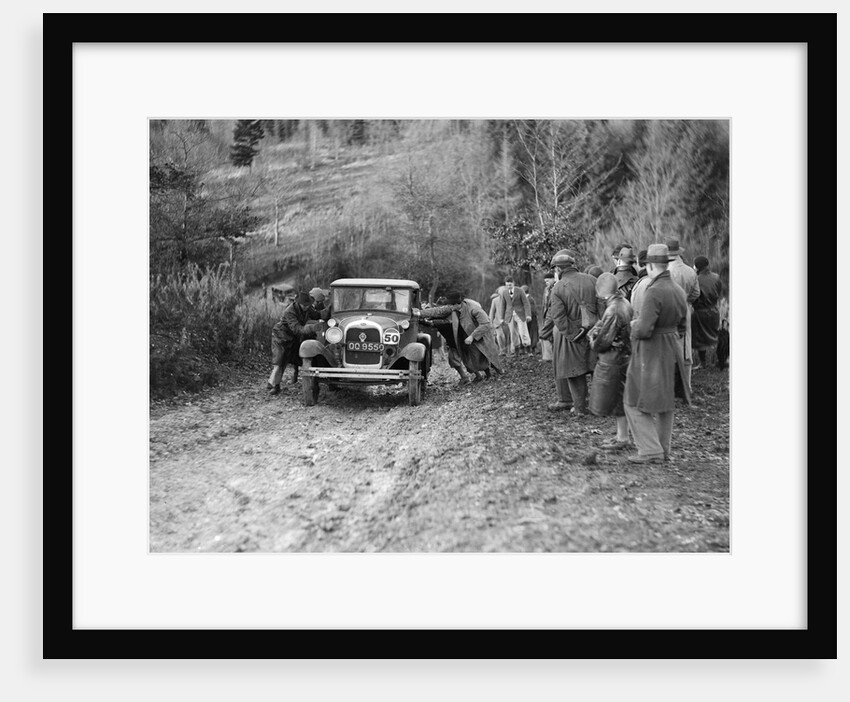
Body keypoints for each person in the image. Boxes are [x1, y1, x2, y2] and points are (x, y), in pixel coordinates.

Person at [623, 244, 691, 463]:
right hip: (673, 348)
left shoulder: (653, 291)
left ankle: (651, 450)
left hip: (651, 351)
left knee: (632, 399)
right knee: (665, 402)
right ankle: (663, 449)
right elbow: (683, 326)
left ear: (650, 265)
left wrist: (633, 325)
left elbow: (644, 329)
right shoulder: (678, 290)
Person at [545, 249, 604, 414]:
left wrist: (574, 336)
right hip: (595, 333)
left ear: (558, 269)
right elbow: (602, 307)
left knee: (575, 373)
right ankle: (599, 407)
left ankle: (580, 409)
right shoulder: (593, 280)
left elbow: (558, 318)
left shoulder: (557, 289)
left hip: (572, 337)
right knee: (596, 370)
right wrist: (598, 329)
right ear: (573, 265)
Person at [588, 272, 634, 450]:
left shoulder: (612, 309)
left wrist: (592, 338)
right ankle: (621, 435)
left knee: (617, 399)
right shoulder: (624, 302)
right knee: (619, 398)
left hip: (614, 359)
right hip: (624, 357)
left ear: (602, 293)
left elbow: (602, 342)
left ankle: (623, 438)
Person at [420, 291, 504, 382]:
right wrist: (420, 313)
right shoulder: (454, 308)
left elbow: (486, 324)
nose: (450, 307)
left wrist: (472, 336)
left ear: (456, 304)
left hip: (483, 333)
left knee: (488, 353)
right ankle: (488, 375)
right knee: (475, 356)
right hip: (468, 334)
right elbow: (437, 311)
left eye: (451, 305)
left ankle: (498, 372)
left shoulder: (474, 308)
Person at [267, 290, 323, 395]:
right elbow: (297, 329)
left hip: (293, 338)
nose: (306, 307)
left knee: (298, 359)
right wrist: (312, 328)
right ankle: (275, 386)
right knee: (280, 360)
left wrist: (329, 311)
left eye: (308, 305)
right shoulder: (289, 311)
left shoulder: (308, 308)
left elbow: (317, 315)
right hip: (280, 336)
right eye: (304, 305)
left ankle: (272, 382)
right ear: (298, 303)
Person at [665, 237, 700, 392]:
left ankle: (669, 388)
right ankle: (687, 387)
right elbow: (696, 293)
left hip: (667, 311)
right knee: (686, 350)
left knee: (666, 348)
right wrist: (686, 301)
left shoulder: (664, 271)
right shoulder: (690, 271)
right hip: (685, 310)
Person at [690, 255, 723, 370]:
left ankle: (703, 363)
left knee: (700, 338)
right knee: (716, 336)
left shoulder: (696, 279)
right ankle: (720, 360)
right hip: (714, 311)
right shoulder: (717, 277)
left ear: (697, 267)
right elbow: (719, 292)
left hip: (700, 312)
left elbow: (693, 296)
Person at [495, 276, 533, 356]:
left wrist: (528, 315)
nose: (509, 287)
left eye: (510, 285)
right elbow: (503, 305)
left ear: (513, 283)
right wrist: (501, 318)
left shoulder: (520, 291)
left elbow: (526, 303)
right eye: (507, 285)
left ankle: (528, 350)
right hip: (510, 315)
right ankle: (516, 350)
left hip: (520, 314)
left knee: (523, 332)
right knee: (513, 333)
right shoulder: (504, 292)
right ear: (506, 285)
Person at [538, 273, 556, 362]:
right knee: (547, 335)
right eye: (545, 281)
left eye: (548, 281)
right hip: (546, 315)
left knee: (544, 334)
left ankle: (548, 357)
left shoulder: (556, 288)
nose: (546, 283)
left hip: (553, 315)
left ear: (553, 279)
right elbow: (544, 304)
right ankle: (549, 356)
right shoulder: (546, 289)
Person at [488, 287, 509, 356]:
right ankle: (502, 350)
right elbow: (492, 312)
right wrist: (490, 322)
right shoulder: (495, 300)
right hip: (497, 322)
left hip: (507, 322)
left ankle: (508, 351)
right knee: (500, 336)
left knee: (507, 337)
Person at [521, 285, 540, 354]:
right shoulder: (527, 299)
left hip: (531, 319)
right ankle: (529, 348)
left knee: (532, 333)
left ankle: (533, 348)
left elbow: (532, 310)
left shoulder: (529, 299)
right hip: (528, 318)